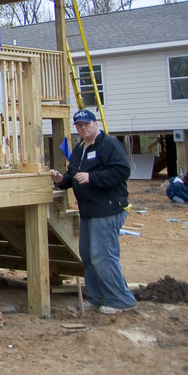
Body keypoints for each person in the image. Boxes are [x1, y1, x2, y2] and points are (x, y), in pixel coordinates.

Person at [49, 109, 136, 314]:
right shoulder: (80, 149)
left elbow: (122, 171)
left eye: (86, 124)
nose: (83, 128)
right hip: (88, 210)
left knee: (103, 256)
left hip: (107, 209)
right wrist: (61, 180)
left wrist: (92, 177)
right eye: (79, 125)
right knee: (88, 256)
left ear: (95, 124)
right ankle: (97, 298)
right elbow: (73, 175)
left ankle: (120, 300)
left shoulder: (109, 144)